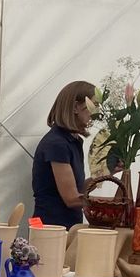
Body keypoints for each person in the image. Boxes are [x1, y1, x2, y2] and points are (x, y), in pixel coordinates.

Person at [32, 81, 108, 228]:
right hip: (50, 229)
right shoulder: (57, 144)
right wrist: (110, 205)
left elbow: (78, 189)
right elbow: (72, 199)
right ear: (75, 107)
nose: (96, 112)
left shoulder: (73, 141)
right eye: (93, 106)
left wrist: (106, 171)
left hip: (66, 226)